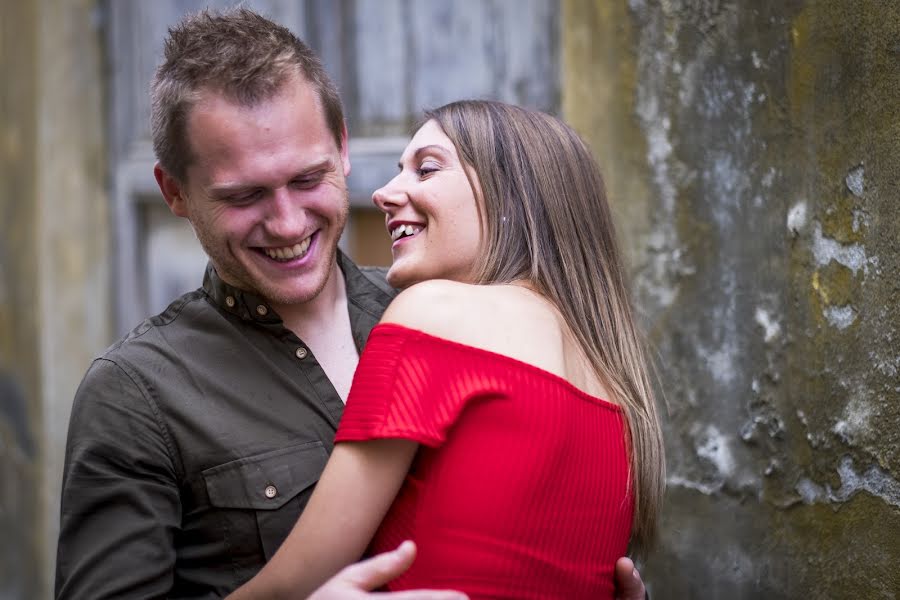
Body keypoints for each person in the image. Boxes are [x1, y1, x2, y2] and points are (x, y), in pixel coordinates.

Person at [54, 8, 650, 600]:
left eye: (308, 179)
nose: (287, 221)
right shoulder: (134, 392)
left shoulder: (441, 319)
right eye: (245, 195)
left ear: (342, 149)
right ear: (175, 194)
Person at [228, 100, 665, 599]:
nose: (385, 193)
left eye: (427, 168)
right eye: (398, 172)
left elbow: (295, 583)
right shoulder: (618, 394)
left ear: (512, 193)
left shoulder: (433, 313)